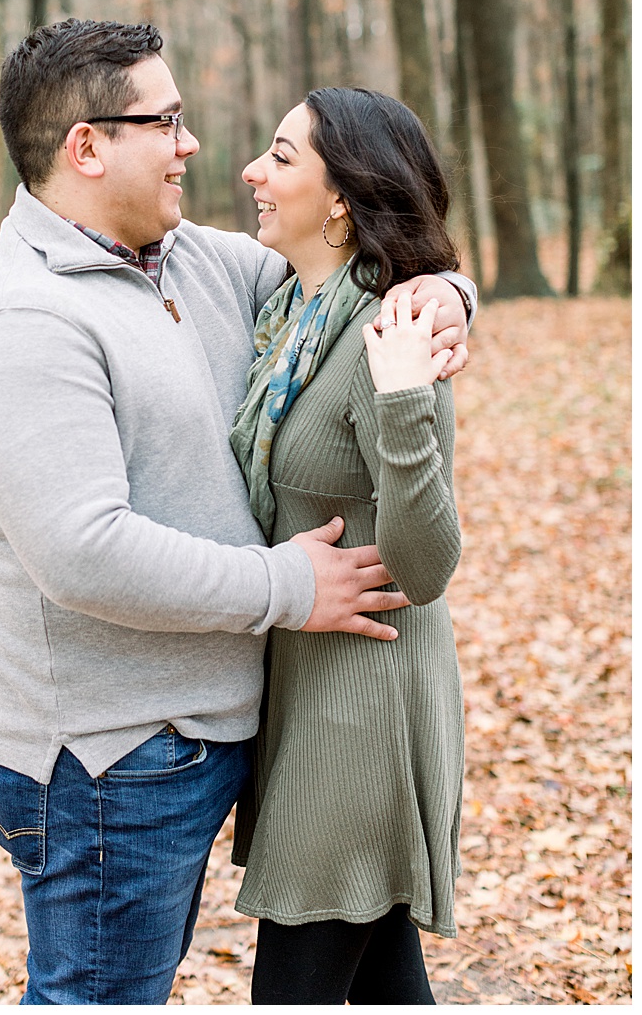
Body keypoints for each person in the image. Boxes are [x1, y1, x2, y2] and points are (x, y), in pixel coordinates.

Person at [0, 19, 474, 1004]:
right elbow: (84, 553)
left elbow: (352, 272)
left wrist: (446, 292)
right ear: (87, 146)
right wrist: (285, 585)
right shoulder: (22, 318)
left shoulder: (192, 262)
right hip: (108, 757)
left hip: (231, 727)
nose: (194, 147)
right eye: (166, 121)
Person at [229, 88, 464, 1004]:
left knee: (294, 991)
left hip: (363, 716)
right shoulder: (290, 317)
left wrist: (406, 402)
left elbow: (427, 566)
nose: (252, 170)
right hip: (309, 692)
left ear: (341, 199)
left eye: (282, 156)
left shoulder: (391, 332)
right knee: (385, 988)